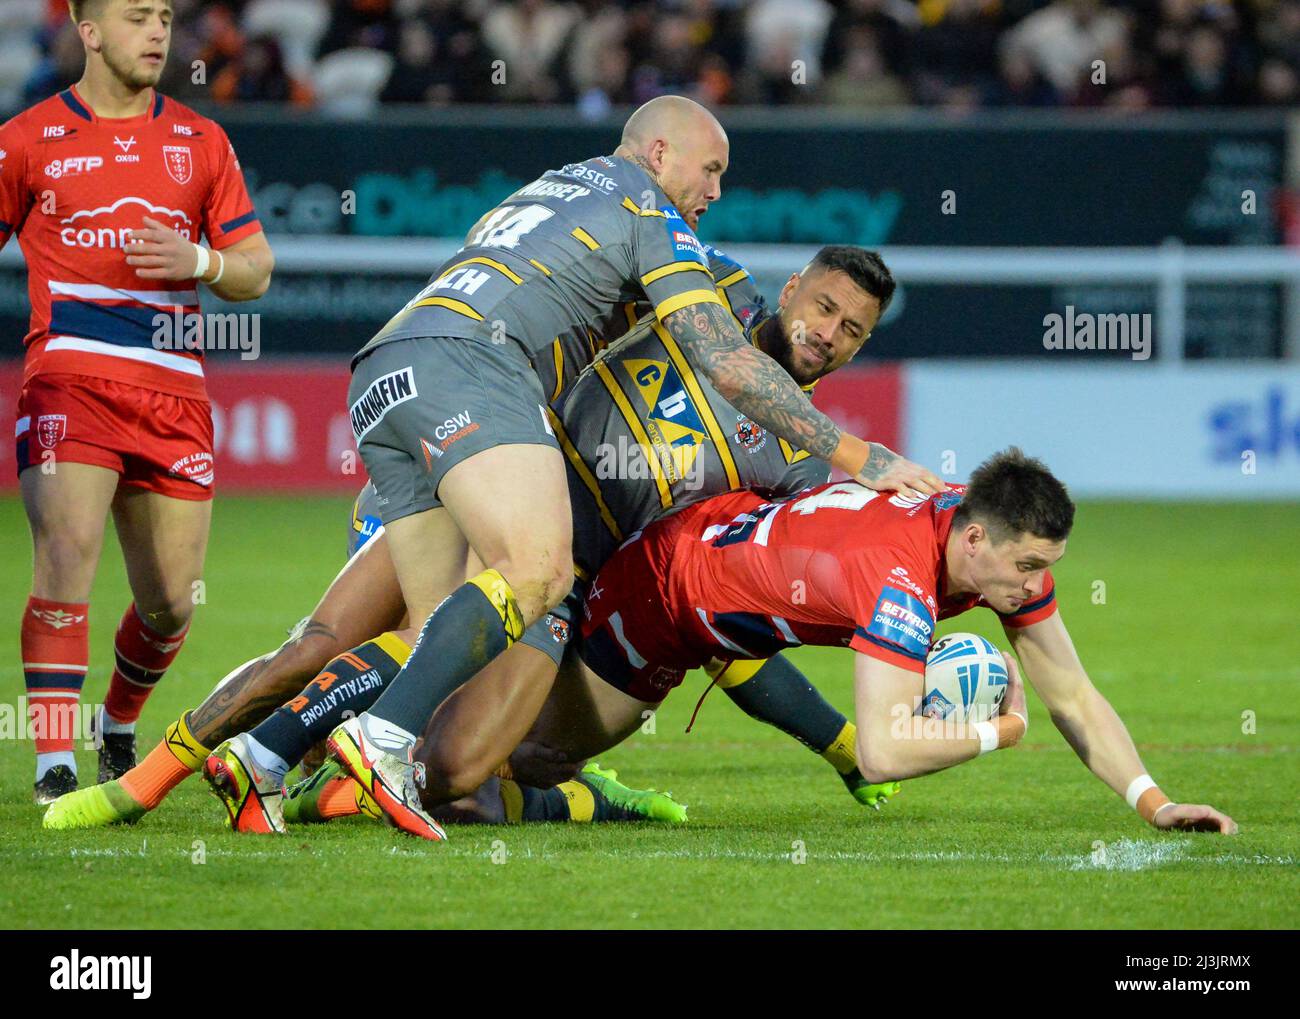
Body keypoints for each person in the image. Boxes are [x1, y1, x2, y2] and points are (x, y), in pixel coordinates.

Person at [327, 95, 939, 839]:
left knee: (471, 772)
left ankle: (364, 772)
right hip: (495, 480)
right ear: (790, 290)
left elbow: (725, 615)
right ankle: (257, 752)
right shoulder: (702, 280)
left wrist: (840, 737)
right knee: (335, 644)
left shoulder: (796, 477)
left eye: (852, 330)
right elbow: (560, 293)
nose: (829, 333)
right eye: (824, 307)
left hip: (580, 582)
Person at [1, 0, 273, 803]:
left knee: (169, 603)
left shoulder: (200, 140)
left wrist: (200, 258)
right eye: (136, 16)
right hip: (69, 377)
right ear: (87, 31)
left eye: (164, 17)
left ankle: (115, 724)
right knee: (66, 551)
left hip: (174, 391)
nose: (157, 32)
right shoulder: (26, 140)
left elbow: (255, 267)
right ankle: (55, 767)